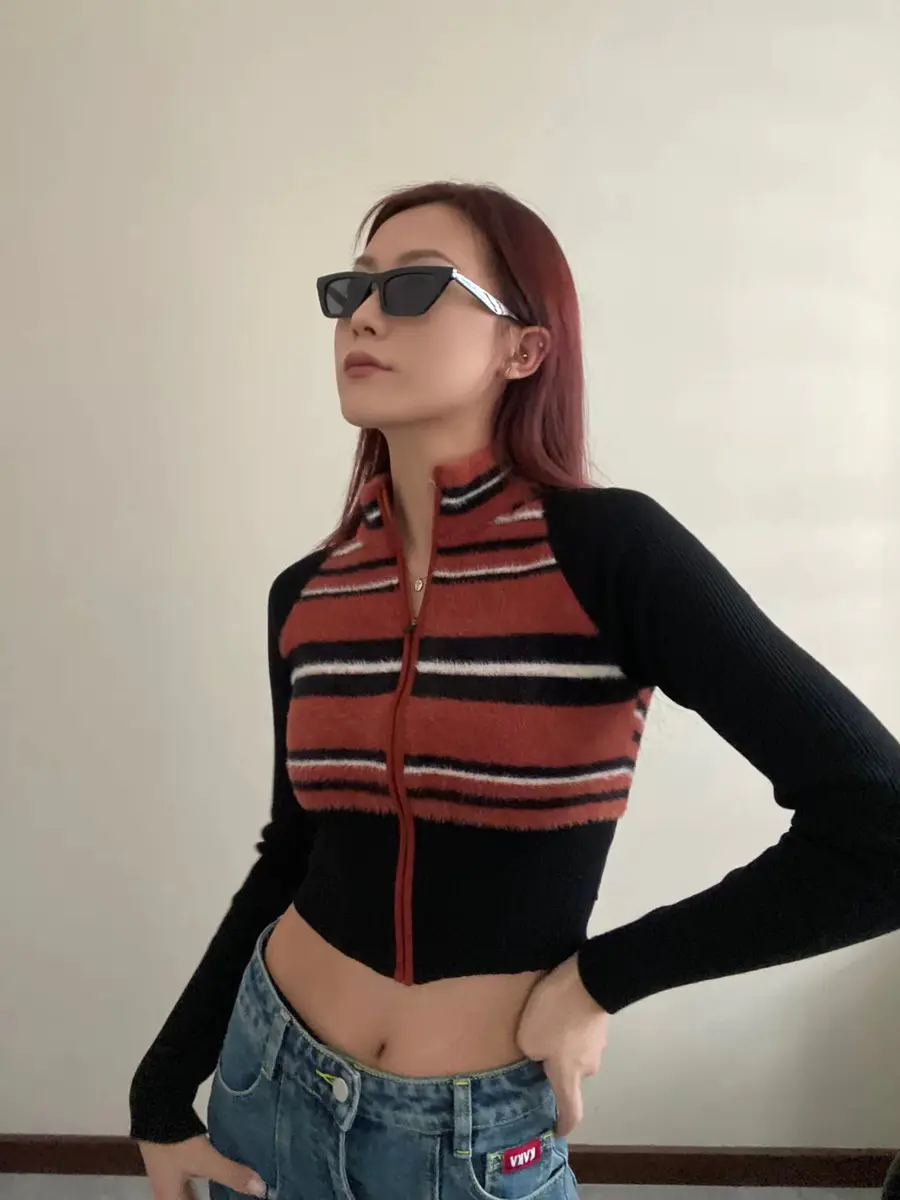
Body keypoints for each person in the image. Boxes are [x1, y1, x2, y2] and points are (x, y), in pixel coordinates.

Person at [130, 180, 900, 1200]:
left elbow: (880, 826)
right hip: (266, 1081)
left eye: (413, 287)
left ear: (524, 348)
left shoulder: (609, 554)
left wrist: (600, 979)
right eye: (351, 290)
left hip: (473, 1133)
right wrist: (159, 1091)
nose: (363, 316)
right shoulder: (307, 595)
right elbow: (294, 852)